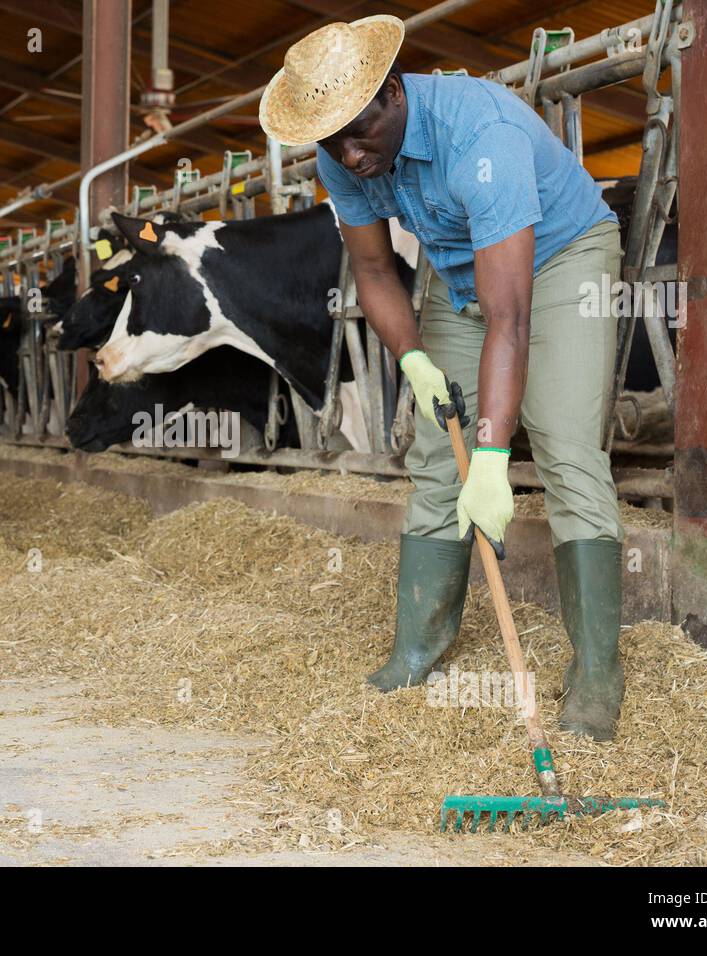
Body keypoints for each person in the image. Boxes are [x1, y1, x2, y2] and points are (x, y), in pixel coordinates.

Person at [259, 15, 626, 739]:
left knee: (564, 446)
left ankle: (596, 676)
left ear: (394, 92)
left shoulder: (479, 135)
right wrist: (413, 358)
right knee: (435, 456)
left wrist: (493, 455)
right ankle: (417, 648)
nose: (349, 155)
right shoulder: (345, 150)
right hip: (459, 275)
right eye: (332, 142)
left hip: (558, 261)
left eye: (360, 132)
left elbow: (510, 319)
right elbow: (371, 267)